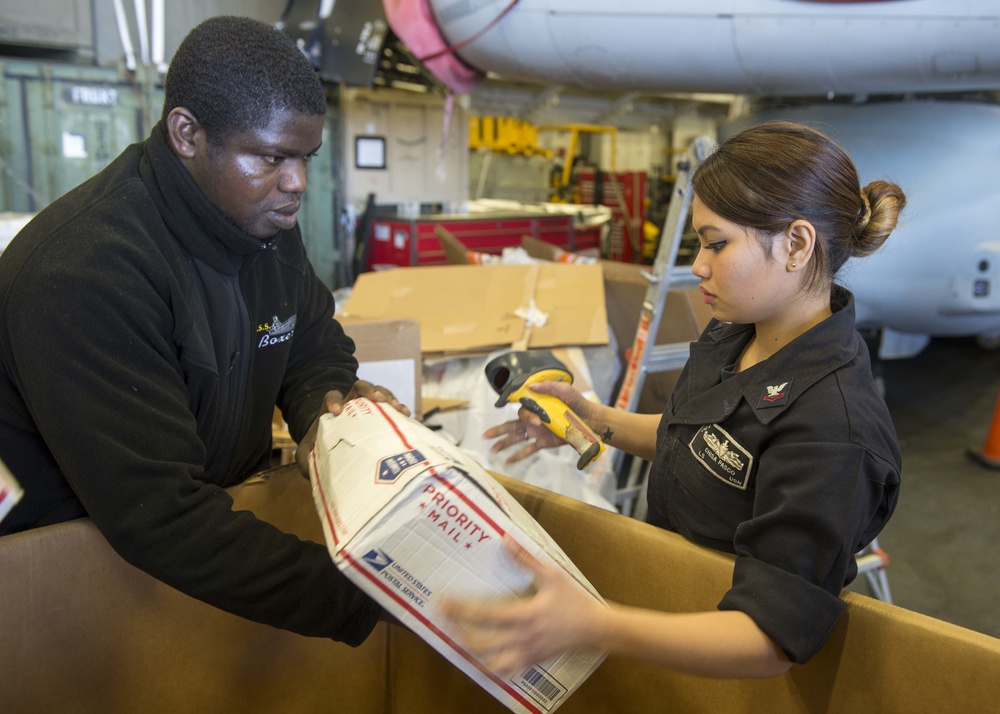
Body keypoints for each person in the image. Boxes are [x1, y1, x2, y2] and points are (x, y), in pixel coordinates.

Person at [443, 120, 906, 677]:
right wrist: (592, 418)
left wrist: (594, 624)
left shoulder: (833, 432)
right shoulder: (740, 330)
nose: (698, 265)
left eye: (717, 244)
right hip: (671, 616)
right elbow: (694, 436)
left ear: (797, 245)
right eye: (697, 243)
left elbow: (769, 638)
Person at [0, 16, 408, 646]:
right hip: (67, 583)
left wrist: (325, 409)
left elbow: (308, 341)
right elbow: (159, 517)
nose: (297, 183)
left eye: (305, 157)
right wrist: (380, 596)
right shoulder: (84, 271)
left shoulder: (262, 218)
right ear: (187, 133)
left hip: (208, 547)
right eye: (272, 156)